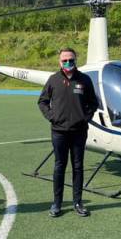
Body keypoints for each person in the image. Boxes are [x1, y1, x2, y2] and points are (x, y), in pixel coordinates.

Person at [38, 48, 99, 218]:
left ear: (75, 60)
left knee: (78, 166)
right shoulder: (53, 80)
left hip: (79, 132)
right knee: (59, 166)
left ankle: (78, 202)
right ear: (59, 62)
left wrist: (84, 118)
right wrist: (52, 117)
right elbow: (42, 101)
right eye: (64, 60)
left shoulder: (84, 80)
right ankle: (57, 203)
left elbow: (93, 103)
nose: (67, 63)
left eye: (70, 60)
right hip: (59, 132)